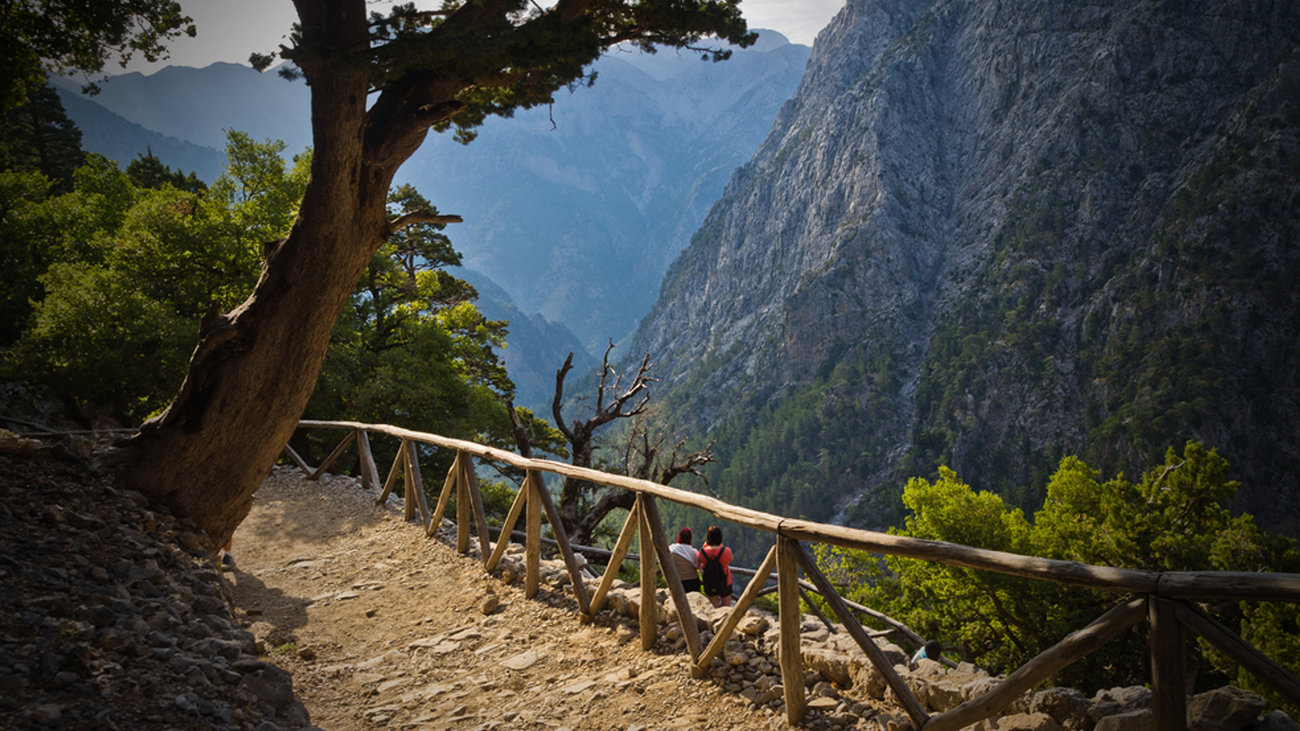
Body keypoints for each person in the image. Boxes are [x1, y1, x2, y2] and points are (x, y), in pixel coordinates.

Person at [699, 525, 734, 607]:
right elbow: (731, 559)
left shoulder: (703, 552)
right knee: (726, 608)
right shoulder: (726, 551)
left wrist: (705, 546)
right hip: (725, 582)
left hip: (710, 582)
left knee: (714, 608)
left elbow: (700, 560)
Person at [669, 527, 701, 593]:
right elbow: (698, 566)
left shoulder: (672, 549)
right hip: (693, 582)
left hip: (678, 581)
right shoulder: (693, 552)